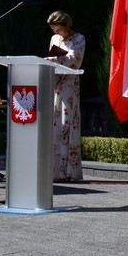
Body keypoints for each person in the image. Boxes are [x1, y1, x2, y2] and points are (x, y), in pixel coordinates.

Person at [45, 11, 85, 182]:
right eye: (54, 30)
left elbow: (73, 59)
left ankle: (68, 171)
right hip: (54, 83)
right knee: (54, 123)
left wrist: (50, 59)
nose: (57, 34)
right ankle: (54, 171)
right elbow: (51, 55)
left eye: (59, 30)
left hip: (68, 84)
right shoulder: (54, 39)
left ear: (67, 26)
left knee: (67, 122)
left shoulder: (79, 39)